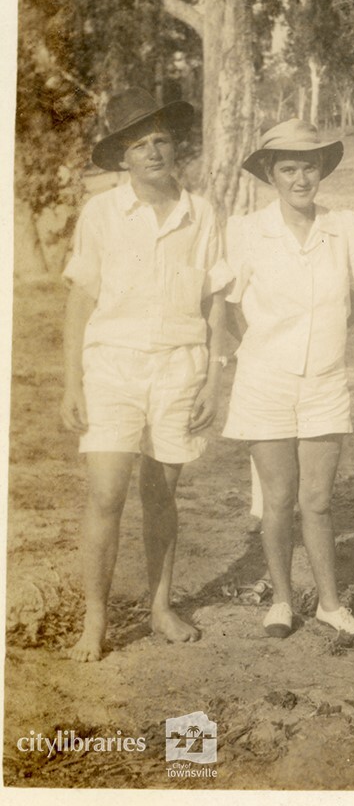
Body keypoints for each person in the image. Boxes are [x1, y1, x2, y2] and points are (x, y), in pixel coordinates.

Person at [60, 87, 232, 662]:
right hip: (112, 366)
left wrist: (212, 378)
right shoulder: (101, 213)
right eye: (140, 145)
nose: (154, 152)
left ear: (174, 147)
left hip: (180, 368)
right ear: (123, 158)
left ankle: (161, 607)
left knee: (161, 496)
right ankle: (96, 620)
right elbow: (79, 303)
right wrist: (70, 384)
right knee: (106, 492)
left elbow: (215, 302)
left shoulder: (202, 212)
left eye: (161, 140)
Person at [223, 118, 354, 640]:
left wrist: (321, 337)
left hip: (325, 380)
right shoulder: (246, 230)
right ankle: (282, 601)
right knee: (279, 497)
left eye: (309, 166)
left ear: (321, 170)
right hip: (264, 380)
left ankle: (330, 603)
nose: (300, 178)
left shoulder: (345, 225)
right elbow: (230, 304)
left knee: (319, 500)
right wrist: (264, 344)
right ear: (271, 173)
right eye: (289, 168)